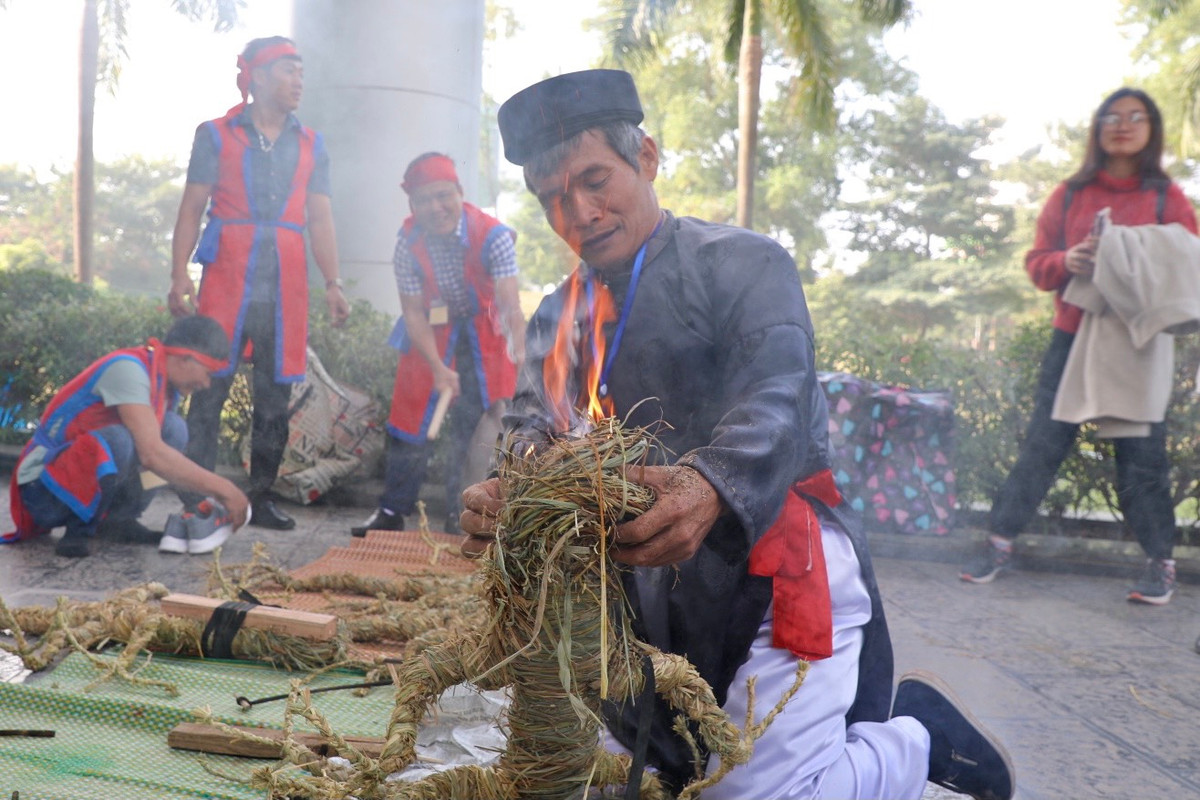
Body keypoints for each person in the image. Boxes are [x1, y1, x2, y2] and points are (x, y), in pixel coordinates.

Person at [460, 69, 1014, 800]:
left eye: (596, 179)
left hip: (771, 564)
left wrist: (707, 481)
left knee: (746, 796)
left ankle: (914, 738)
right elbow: (532, 421)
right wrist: (516, 490)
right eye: (554, 198)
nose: (581, 211)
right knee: (619, 778)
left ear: (646, 158)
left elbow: (776, 397)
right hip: (644, 586)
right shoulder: (557, 313)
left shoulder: (744, 262)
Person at [961, 88, 1198, 605]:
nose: (1123, 125)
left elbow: (1188, 260)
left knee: (1142, 457)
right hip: (1072, 334)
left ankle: (1160, 565)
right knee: (1044, 444)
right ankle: (997, 544)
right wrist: (1068, 261)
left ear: (1151, 128)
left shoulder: (1166, 197)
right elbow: (1037, 263)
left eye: (1136, 117)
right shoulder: (1070, 193)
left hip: (1139, 343)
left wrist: (1125, 254)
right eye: (1113, 116)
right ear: (1097, 127)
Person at [168, 36, 350, 532]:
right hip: (227, 274)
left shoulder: (312, 143)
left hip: (286, 282)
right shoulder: (216, 134)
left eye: (302, 72)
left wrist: (333, 283)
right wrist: (178, 272)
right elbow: (192, 206)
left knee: (274, 399)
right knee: (208, 388)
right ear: (260, 76)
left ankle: (260, 497)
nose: (299, 82)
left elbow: (321, 217)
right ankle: (198, 497)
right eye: (290, 71)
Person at [351, 153, 524, 537]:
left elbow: (510, 306)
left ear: (460, 193)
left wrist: (523, 360)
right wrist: (438, 368)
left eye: (444, 195)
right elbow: (413, 312)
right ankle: (392, 510)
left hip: (485, 332)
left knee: (474, 422)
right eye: (424, 200)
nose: (436, 207)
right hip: (432, 328)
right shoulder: (408, 242)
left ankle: (460, 512)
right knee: (408, 419)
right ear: (412, 204)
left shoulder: (493, 237)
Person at [3, 316, 250, 558]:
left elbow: (159, 457)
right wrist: (224, 489)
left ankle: (119, 520)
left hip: (72, 479)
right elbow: (152, 455)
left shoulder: (163, 382)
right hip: (41, 491)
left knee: (174, 430)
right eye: (208, 373)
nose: (207, 384)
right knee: (118, 440)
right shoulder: (129, 369)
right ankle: (80, 527)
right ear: (187, 358)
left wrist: (198, 501)